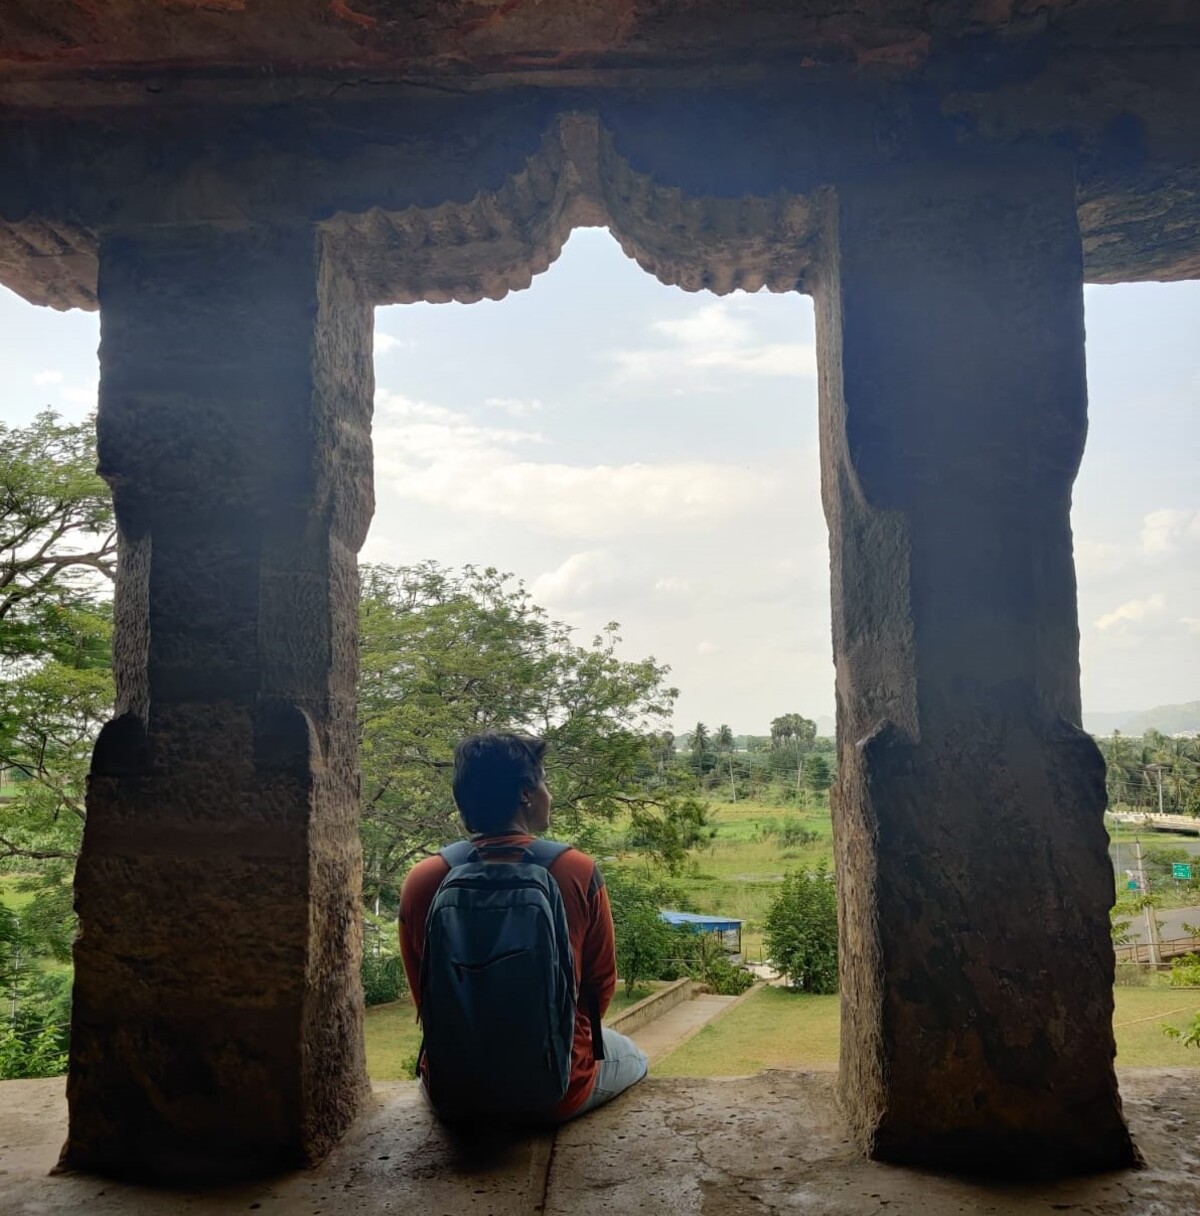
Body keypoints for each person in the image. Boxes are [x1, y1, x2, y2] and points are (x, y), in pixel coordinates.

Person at [398, 731, 648, 1122]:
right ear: (526, 794)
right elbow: (599, 989)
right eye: (544, 781)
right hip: (556, 1091)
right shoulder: (575, 870)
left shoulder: (424, 878)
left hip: (454, 1094)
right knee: (634, 1054)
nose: (548, 792)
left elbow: (424, 995)